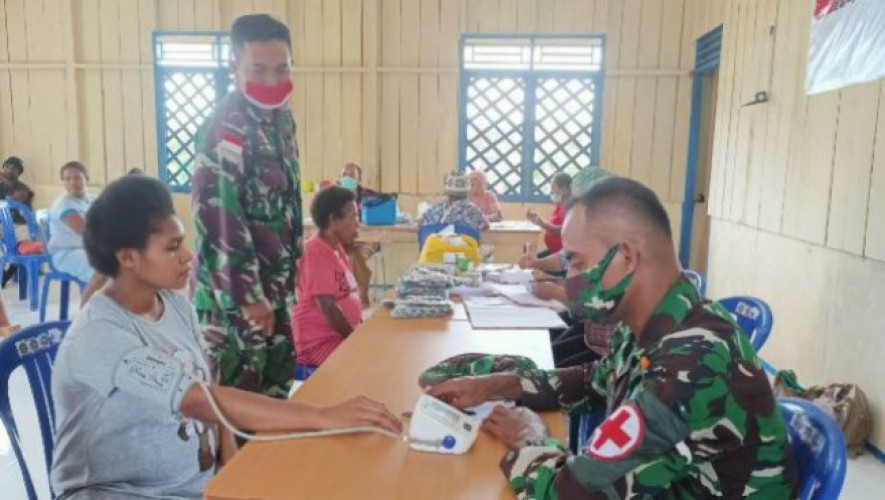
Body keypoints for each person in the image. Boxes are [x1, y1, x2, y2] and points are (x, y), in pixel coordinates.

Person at [427, 177, 797, 498]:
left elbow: (570, 494)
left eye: (576, 261)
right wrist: (498, 384)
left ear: (626, 257)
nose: (568, 277)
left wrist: (530, 437)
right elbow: (595, 381)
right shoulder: (660, 324)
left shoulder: (689, 368)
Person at [51, 175, 402, 499]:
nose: (186, 256)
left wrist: (230, 471)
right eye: (172, 247)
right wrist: (324, 416)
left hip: (191, 487)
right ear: (127, 257)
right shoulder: (98, 335)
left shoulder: (173, 306)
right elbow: (199, 399)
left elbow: (209, 389)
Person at [191, 14, 303, 398]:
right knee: (237, 409)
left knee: (274, 397)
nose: (272, 81)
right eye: (259, 70)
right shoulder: (226, 126)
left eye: (282, 69)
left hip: (276, 291)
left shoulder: (281, 121)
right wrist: (247, 296)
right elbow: (217, 214)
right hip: (235, 302)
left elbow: (287, 203)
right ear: (233, 67)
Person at [292, 186, 363, 367]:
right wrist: (356, 340)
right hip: (318, 344)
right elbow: (328, 308)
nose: (358, 223)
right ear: (333, 220)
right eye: (353, 217)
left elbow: (348, 294)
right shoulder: (315, 251)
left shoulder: (336, 249)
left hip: (336, 338)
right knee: (366, 364)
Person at [47, 161, 107, 304]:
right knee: (103, 271)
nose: (73, 182)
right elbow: (86, 231)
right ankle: (84, 315)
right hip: (67, 253)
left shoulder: (92, 199)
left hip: (91, 248)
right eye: (67, 179)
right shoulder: (63, 204)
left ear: (86, 179)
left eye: (77, 178)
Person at [338, 161, 378, 306]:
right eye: (344, 175)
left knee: (354, 255)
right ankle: (347, 298)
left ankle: (361, 296)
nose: (347, 178)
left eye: (351, 176)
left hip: (365, 239)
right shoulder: (332, 197)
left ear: (359, 180)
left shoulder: (370, 197)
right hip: (341, 240)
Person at [419, 171, 490, 232]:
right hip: (461, 247)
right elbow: (485, 225)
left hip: (434, 247)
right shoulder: (471, 209)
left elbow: (420, 221)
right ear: (467, 192)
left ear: (447, 192)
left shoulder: (437, 207)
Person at [526, 172, 572, 256]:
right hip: (554, 251)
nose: (552, 192)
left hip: (564, 256)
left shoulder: (571, 207)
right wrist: (538, 219)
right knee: (532, 260)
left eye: (554, 188)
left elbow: (563, 231)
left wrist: (542, 223)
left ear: (564, 189)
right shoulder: (560, 205)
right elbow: (553, 224)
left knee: (533, 263)